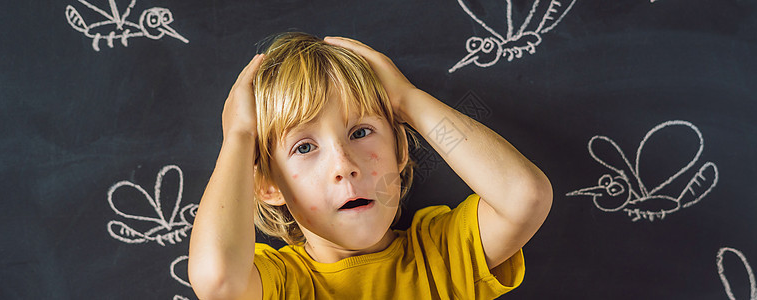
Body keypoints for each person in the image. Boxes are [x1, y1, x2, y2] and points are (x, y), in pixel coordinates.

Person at [189, 32, 552, 300]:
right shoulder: (282, 282)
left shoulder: (440, 253)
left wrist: (408, 101)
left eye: (361, 131)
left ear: (400, 150)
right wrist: (238, 137)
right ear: (269, 185)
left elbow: (525, 197)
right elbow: (217, 281)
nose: (344, 166)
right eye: (304, 147)